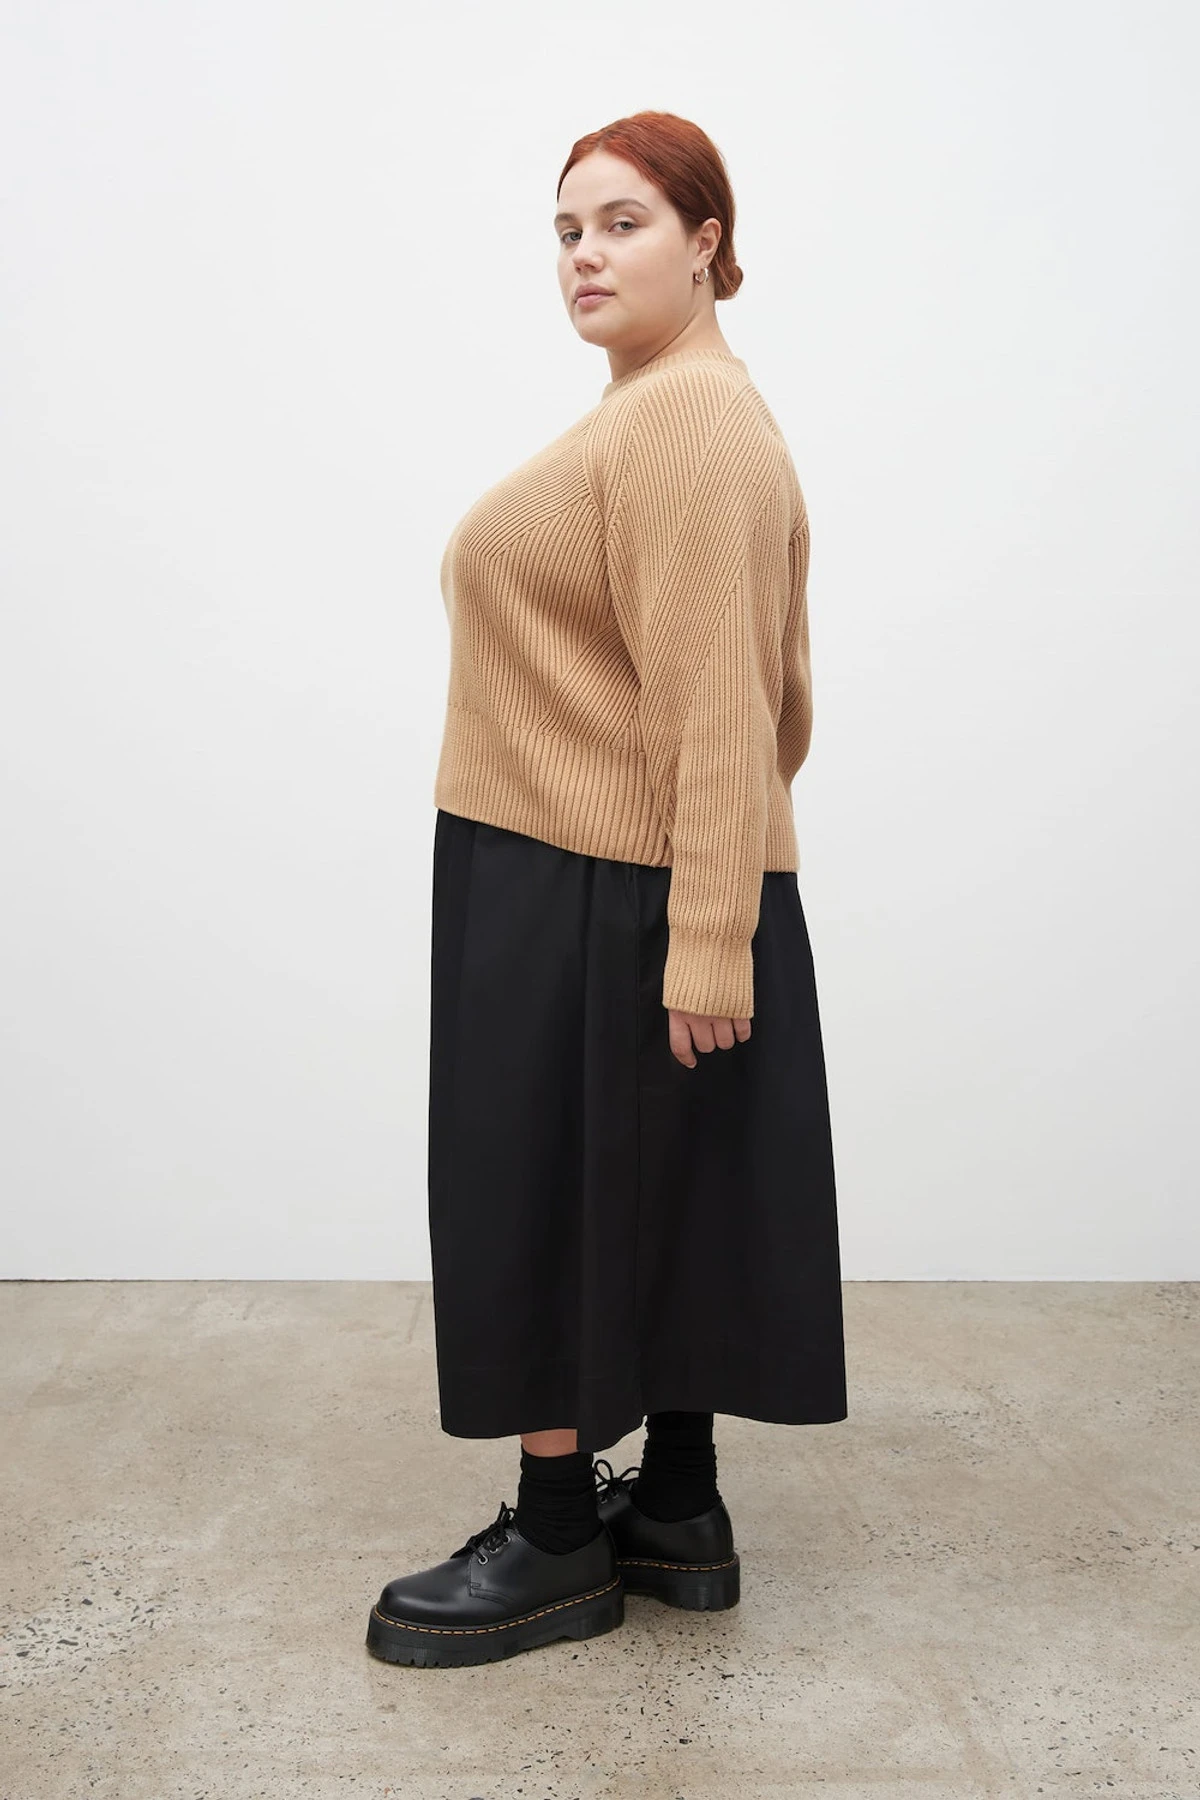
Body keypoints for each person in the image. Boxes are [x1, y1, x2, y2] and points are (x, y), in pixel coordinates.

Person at [366, 110, 848, 1669]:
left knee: (541, 1193)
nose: (585, 254)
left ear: (708, 242)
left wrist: (708, 936)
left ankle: (561, 1536)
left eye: (624, 222)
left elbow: (723, 700)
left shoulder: (692, 421)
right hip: (590, 868)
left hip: (596, 883)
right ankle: (678, 1507)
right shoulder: (653, 408)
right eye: (568, 229)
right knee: (667, 1187)